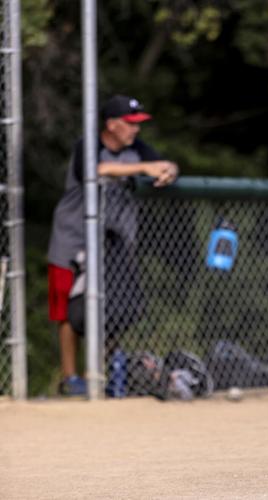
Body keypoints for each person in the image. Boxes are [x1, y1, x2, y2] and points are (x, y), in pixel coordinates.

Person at [47, 95, 179, 396]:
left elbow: (162, 163)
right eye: (130, 124)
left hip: (115, 244)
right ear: (112, 124)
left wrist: (169, 170)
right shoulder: (88, 145)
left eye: (138, 124)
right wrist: (144, 169)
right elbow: (96, 170)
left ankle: (98, 374)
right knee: (66, 311)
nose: (135, 130)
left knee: (116, 308)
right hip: (72, 239)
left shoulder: (137, 150)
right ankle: (70, 379)